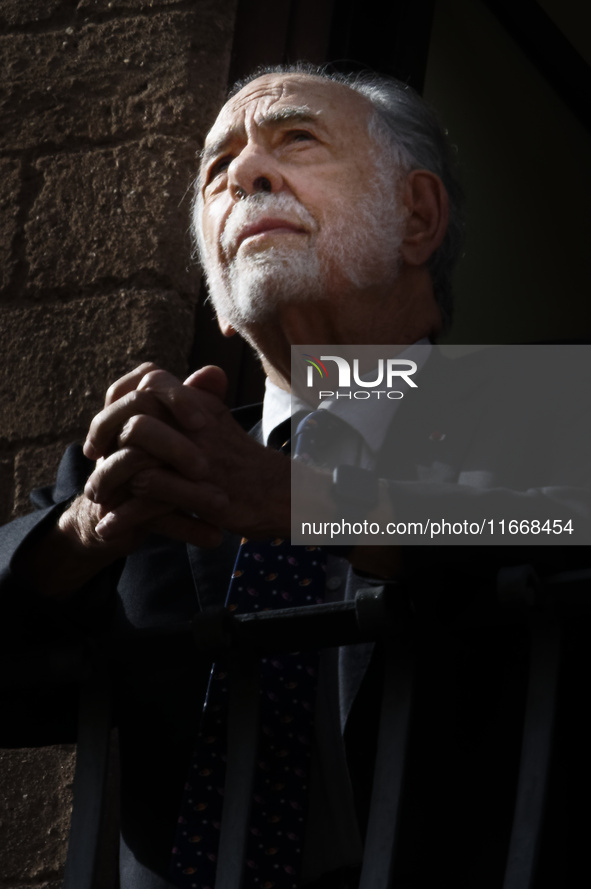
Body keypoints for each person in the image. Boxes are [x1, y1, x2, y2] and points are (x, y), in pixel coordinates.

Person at [1, 63, 589, 889]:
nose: (243, 173)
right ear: (217, 295)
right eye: (217, 171)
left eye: (295, 138)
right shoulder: (142, 465)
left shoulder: (560, 408)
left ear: (415, 217)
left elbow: (557, 524)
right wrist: (79, 536)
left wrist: (310, 501)